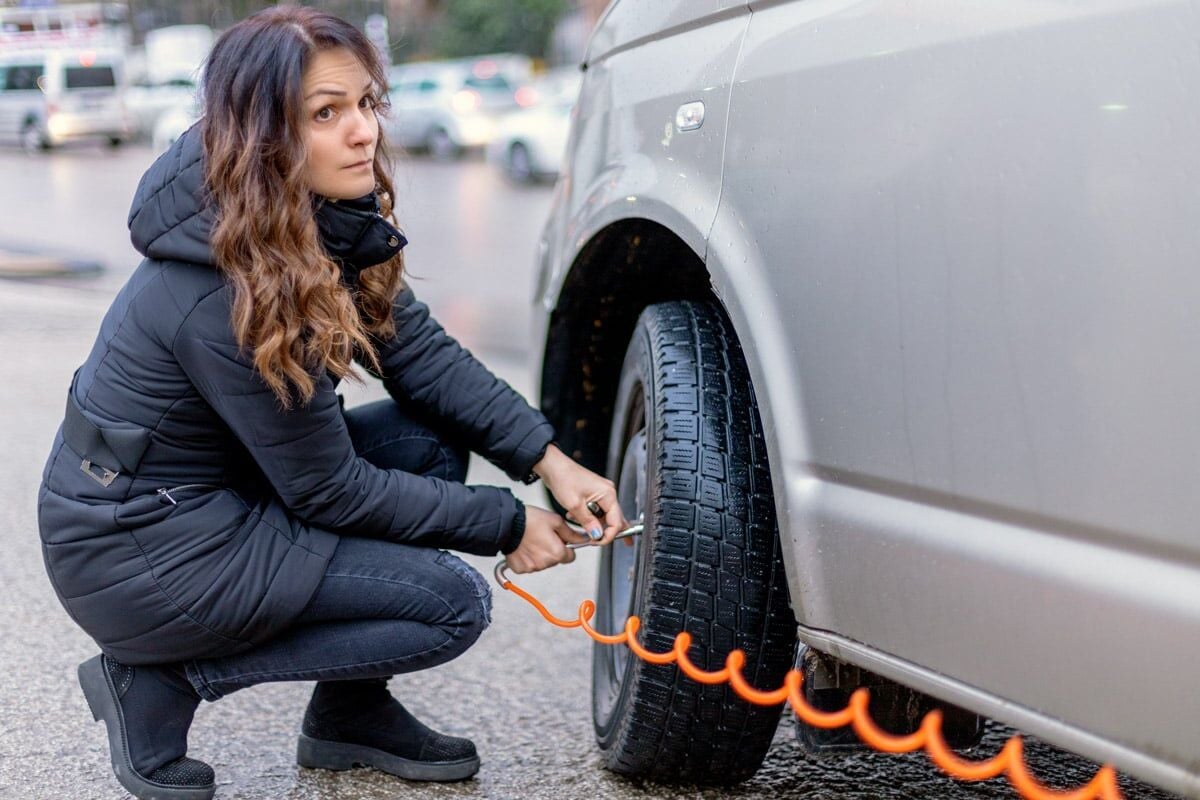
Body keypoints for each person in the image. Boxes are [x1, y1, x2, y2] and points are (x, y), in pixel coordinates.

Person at [35, 7, 628, 800]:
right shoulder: (223, 284)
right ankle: (163, 678)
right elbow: (329, 490)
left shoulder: (307, 219)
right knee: (446, 606)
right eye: (325, 113)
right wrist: (508, 523)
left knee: (426, 443)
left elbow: (418, 355)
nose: (363, 133)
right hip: (139, 549)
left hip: (217, 496)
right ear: (264, 136)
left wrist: (550, 461)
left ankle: (350, 716)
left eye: (366, 104)